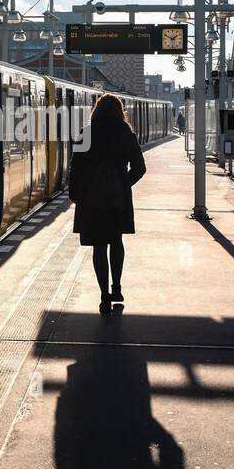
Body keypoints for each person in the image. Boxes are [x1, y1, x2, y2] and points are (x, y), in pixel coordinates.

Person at [69, 94, 146, 314]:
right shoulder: (125, 133)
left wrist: (76, 194)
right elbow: (140, 168)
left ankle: (104, 296)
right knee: (116, 241)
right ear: (119, 111)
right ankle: (117, 287)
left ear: (97, 110)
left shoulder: (87, 132)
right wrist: (123, 184)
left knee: (98, 246)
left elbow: (76, 169)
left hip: (91, 201)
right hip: (117, 200)